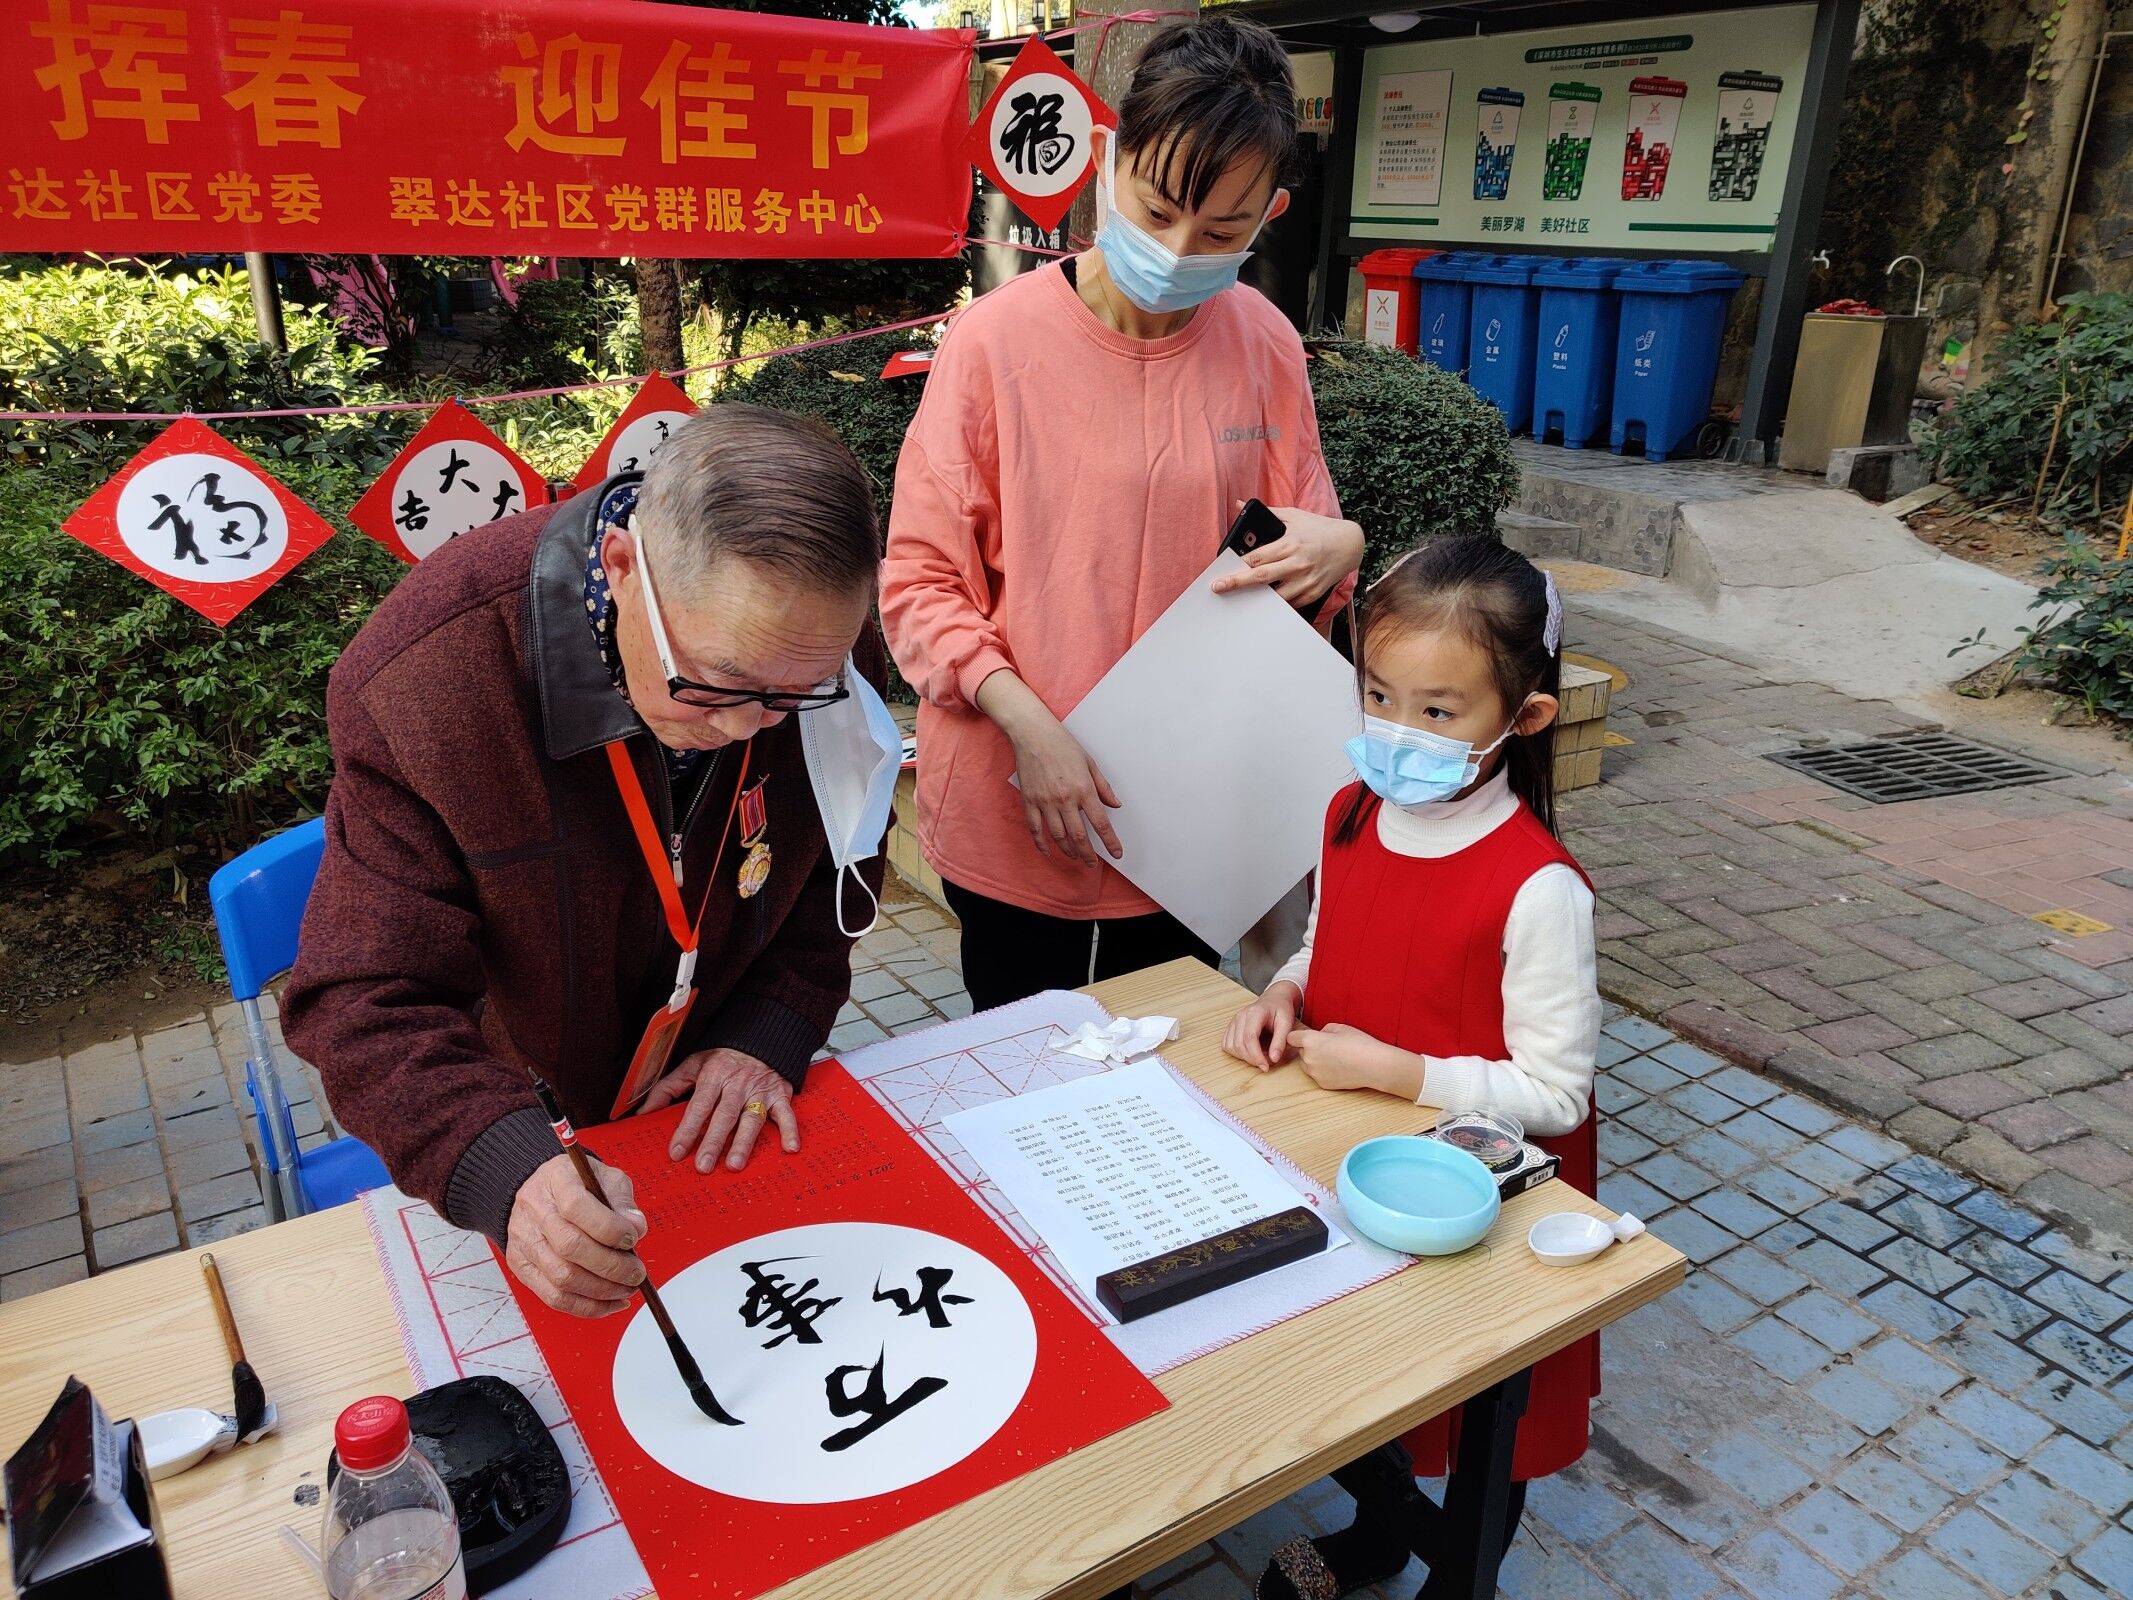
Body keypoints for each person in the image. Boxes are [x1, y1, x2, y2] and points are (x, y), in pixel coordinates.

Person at [284, 406, 899, 1320]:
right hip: (527, 1100)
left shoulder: (815, 641)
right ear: (621, 567)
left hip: (710, 1095)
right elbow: (363, 996)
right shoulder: (432, 674)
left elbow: (846, 847)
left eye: (792, 697)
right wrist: (496, 1162)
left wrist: (773, 1027)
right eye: (713, 685)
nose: (746, 727)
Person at [883, 15, 1364, 1010]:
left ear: (1269, 213)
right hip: (1017, 802)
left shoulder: (1266, 344)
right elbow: (919, 585)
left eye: (1222, 232)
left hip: (1189, 821)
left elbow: (1302, 555)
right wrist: (1029, 725)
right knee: (1021, 1061)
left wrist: (1341, 545)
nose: (1179, 250)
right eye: (1156, 209)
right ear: (1108, 159)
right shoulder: (992, 345)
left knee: (1168, 1064)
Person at [1222, 537, 1601, 1600]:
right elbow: (1325, 941)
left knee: (1482, 1412)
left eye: (1438, 711)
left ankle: (1454, 1579)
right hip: (1355, 1161)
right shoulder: (1350, 810)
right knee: (1366, 1376)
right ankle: (1381, 1536)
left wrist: (1398, 1072)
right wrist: (1283, 991)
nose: (1397, 733)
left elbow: (1558, 1094)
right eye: (1378, 696)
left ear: (1524, 716)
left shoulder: (1539, 888)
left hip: (1477, 1196)